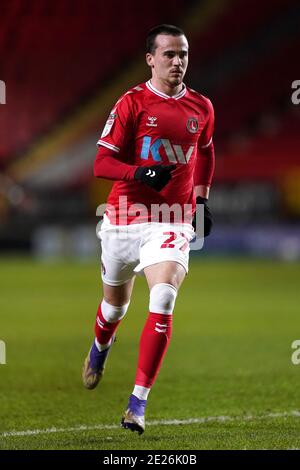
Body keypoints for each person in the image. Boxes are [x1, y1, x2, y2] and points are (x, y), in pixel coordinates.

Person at [82, 24, 215, 435]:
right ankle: (100, 348)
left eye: (184, 54)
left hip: (171, 219)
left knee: (163, 299)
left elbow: (207, 151)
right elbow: (101, 165)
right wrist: (140, 171)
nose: (178, 62)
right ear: (151, 59)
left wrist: (202, 200)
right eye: (170, 54)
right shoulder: (131, 104)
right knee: (115, 308)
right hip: (123, 218)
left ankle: (136, 404)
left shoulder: (202, 107)